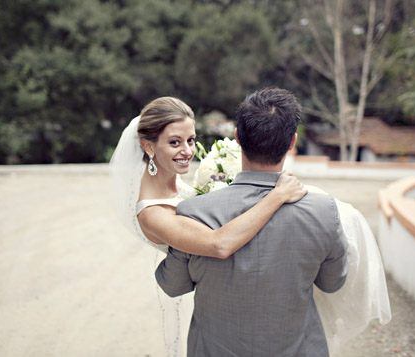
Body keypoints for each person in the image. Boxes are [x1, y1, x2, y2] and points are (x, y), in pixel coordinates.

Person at [155, 87, 391, 356]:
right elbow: (332, 283)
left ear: (237, 138)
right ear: (292, 142)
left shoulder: (193, 211)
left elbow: (173, 285)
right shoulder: (325, 211)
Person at [109, 96, 307, 356]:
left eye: (190, 140)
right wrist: (277, 195)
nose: (188, 151)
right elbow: (219, 244)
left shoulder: (178, 182)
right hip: (218, 300)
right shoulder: (152, 213)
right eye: (174, 142)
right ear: (148, 146)